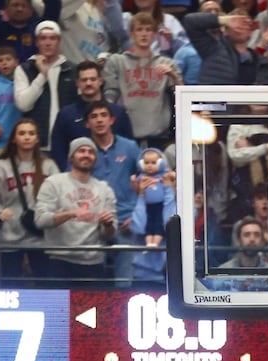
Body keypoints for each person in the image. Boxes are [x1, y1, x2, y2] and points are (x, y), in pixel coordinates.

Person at [34, 136, 117, 282]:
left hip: (93, 263)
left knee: (92, 305)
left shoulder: (104, 189)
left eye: (91, 152)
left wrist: (108, 224)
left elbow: (109, 235)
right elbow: (40, 220)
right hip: (59, 260)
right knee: (59, 306)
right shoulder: (53, 183)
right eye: (81, 151)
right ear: (71, 157)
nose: (86, 154)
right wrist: (71, 213)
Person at [0, 118, 56, 281]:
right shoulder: (1, 167)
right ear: (13, 138)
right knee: (9, 286)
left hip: (41, 238)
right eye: (22, 133)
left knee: (45, 287)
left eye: (31, 133)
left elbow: (59, 198)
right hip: (10, 237)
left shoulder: (49, 166)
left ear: (37, 138)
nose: (26, 137)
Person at [103, 18, 180, 151]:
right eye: (139, 29)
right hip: (125, 136)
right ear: (132, 34)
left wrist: (172, 76)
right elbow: (109, 96)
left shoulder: (167, 63)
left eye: (148, 30)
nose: (144, 34)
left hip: (158, 138)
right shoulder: (117, 61)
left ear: (155, 34)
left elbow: (181, 97)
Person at [13, 20, 79, 150]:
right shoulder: (25, 69)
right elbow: (23, 105)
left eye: (52, 38)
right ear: (37, 42)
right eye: (43, 39)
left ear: (59, 41)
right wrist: (42, 75)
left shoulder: (72, 70)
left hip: (67, 143)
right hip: (36, 144)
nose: (48, 43)